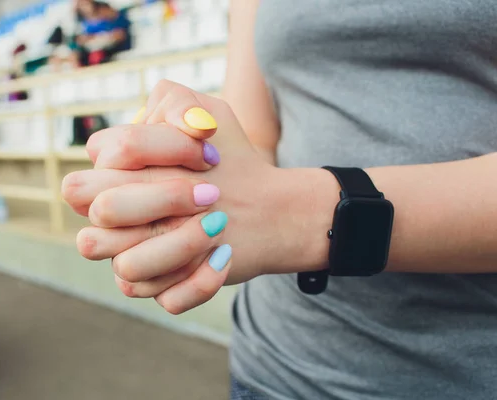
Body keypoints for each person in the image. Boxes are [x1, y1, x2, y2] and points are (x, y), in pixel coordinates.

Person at [62, 1, 497, 399]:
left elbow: (279, 208)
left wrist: (295, 216)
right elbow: (254, 132)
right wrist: (192, 165)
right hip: (274, 367)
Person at [74, 0, 131, 65]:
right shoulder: (86, 23)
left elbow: (120, 35)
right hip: (97, 51)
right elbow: (82, 39)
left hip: (117, 50)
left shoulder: (118, 19)